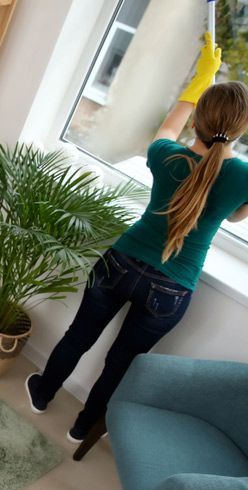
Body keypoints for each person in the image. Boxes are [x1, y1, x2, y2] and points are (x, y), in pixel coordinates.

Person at [25, 34, 248, 443]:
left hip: (121, 261)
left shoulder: (166, 155)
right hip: (173, 286)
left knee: (79, 335)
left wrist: (201, 80)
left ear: (198, 116)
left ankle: (42, 393)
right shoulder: (243, 177)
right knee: (122, 362)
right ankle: (83, 426)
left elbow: (168, 127)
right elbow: (235, 216)